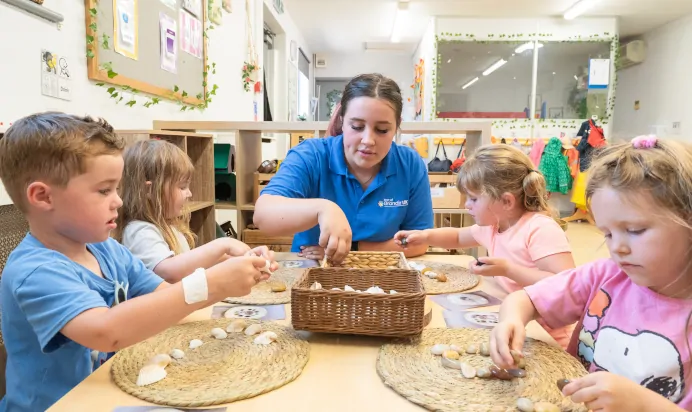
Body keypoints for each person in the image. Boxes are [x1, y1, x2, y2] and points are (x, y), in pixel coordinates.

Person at [0, 112, 275, 412]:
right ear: (43, 197)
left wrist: (227, 279)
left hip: (111, 392)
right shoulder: (36, 270)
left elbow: (162, 295)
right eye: (104, 190)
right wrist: (209, 285)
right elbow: (106, 332)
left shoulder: (106, 249)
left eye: (116, 188)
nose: (118, 200)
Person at [490, 135, 692, 411]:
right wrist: (510, 321)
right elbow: (523, 300)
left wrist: (642, 404)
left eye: (635, 231)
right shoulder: (606, 276)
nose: (617, 248)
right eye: (607, 233)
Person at [395, 144, 575, 348]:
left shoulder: (540, 229)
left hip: (547, 336)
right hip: (513, 321)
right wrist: (424, 236)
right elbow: (457, 237)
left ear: (506, 201)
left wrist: (508, 270)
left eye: (473, 198)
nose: (467, 205)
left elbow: (566, 284)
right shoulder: (495, 225)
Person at [253, 73, 434, 263]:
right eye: (357, 126)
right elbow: (263, 215)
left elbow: (419, 241)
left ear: (396, 127)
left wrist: (351, 250)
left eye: (382, 130)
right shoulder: (311, 155)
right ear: (342, 121)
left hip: (383, 271)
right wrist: (323, 209)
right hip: (312, 270)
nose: (368, 141)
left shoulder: (410, 164)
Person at [115, 140, 277, 283]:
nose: (189, 194)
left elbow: (190, 264)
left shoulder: (168, 225)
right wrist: (223, 244)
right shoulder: (139, 231)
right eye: (182, 187)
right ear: (149, 190)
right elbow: (169, 271)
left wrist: (243, 259)